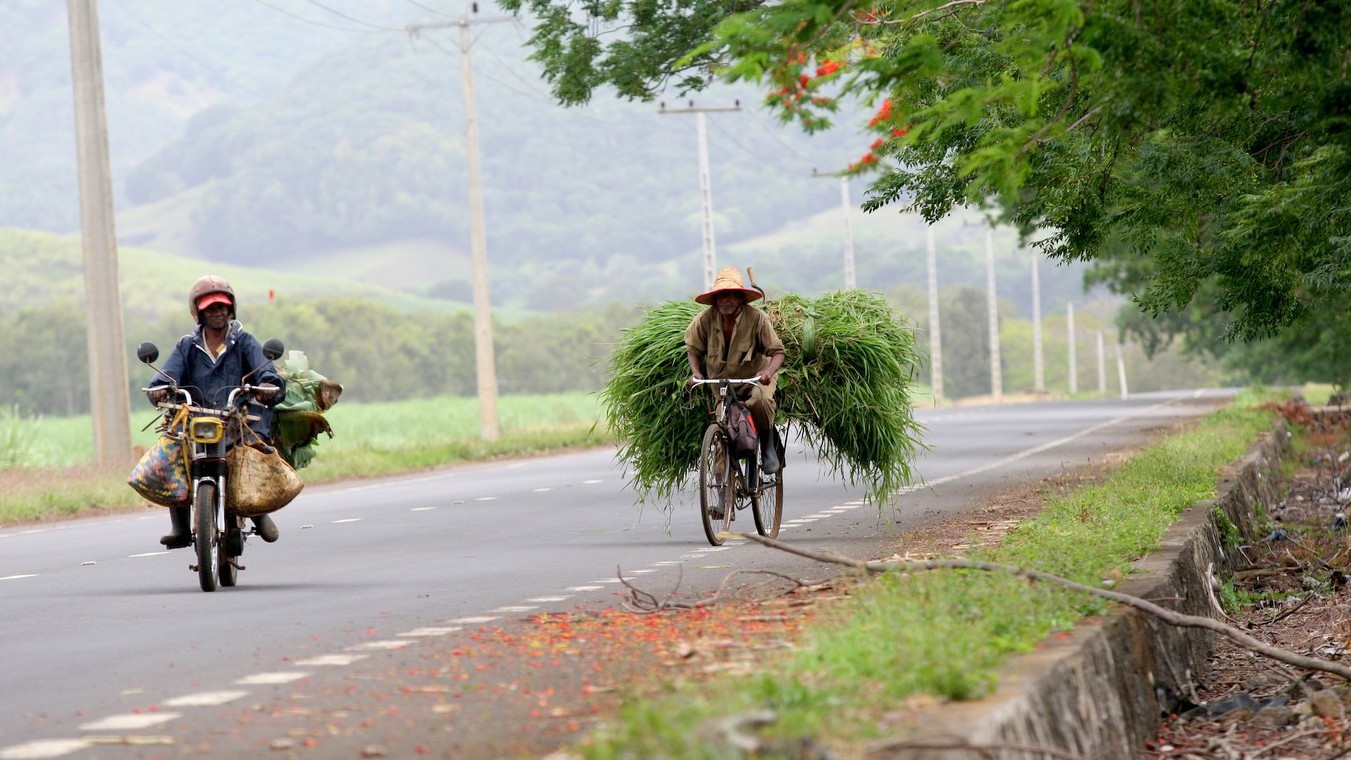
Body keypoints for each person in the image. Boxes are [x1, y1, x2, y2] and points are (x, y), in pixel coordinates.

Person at [147, 275, 286, 548]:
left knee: (254, 453)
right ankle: (180, 526)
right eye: (211, 308)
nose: (217, 312)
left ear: (231, 308)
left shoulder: (243, 341)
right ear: (199, 312)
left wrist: (267, 385)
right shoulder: (187, 345)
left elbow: (265, 370)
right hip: (196, 418)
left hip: (240, 417)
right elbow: (167, 374)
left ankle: (258, 514)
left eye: (222, 306)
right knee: (173, 453)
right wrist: (160, 388)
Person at [685, 267, 786, 474]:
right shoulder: (704, 321)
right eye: (721, 296)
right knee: (721, 425)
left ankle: (767, 447)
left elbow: (778, 352)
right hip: (721, 383)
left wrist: (768, 371)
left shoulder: (757, 318)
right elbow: (693, 350)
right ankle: (722, 487)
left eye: (731, 295)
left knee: (761, 401)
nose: (726, 301)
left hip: (756, 378)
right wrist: (696, 373)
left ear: (741, 298)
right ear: (715, 300)